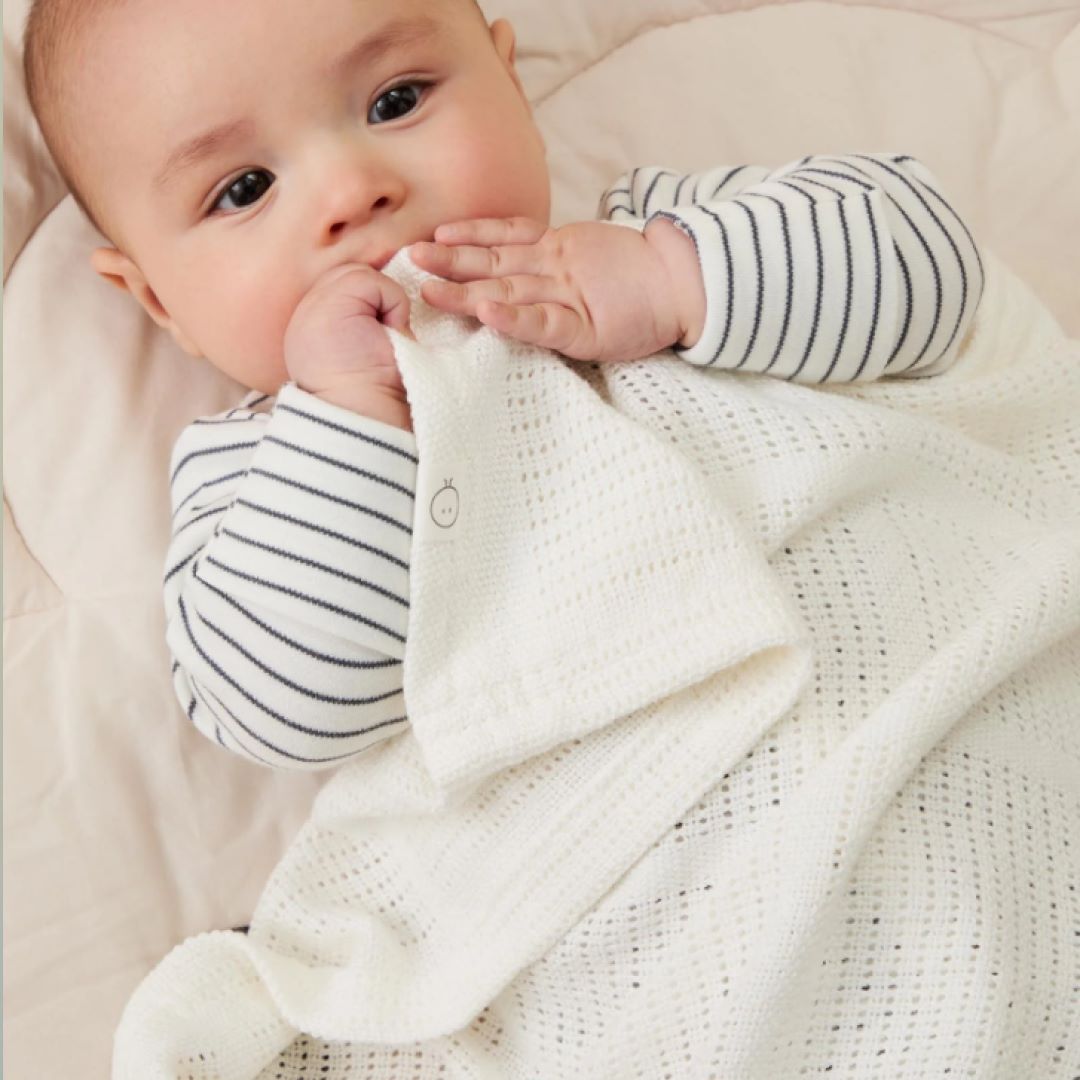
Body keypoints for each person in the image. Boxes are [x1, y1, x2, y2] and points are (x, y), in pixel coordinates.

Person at [23, 0, 983, 769]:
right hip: (647, 841)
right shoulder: (261, 476)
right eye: (245, 189)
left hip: (935, 671)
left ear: (510, 85)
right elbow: (283, 711)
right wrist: (350, 416)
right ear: (161, 303)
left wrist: (669, 282)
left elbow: (932, 267)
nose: (352, 191)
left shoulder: (659, 235)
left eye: (396, 100)